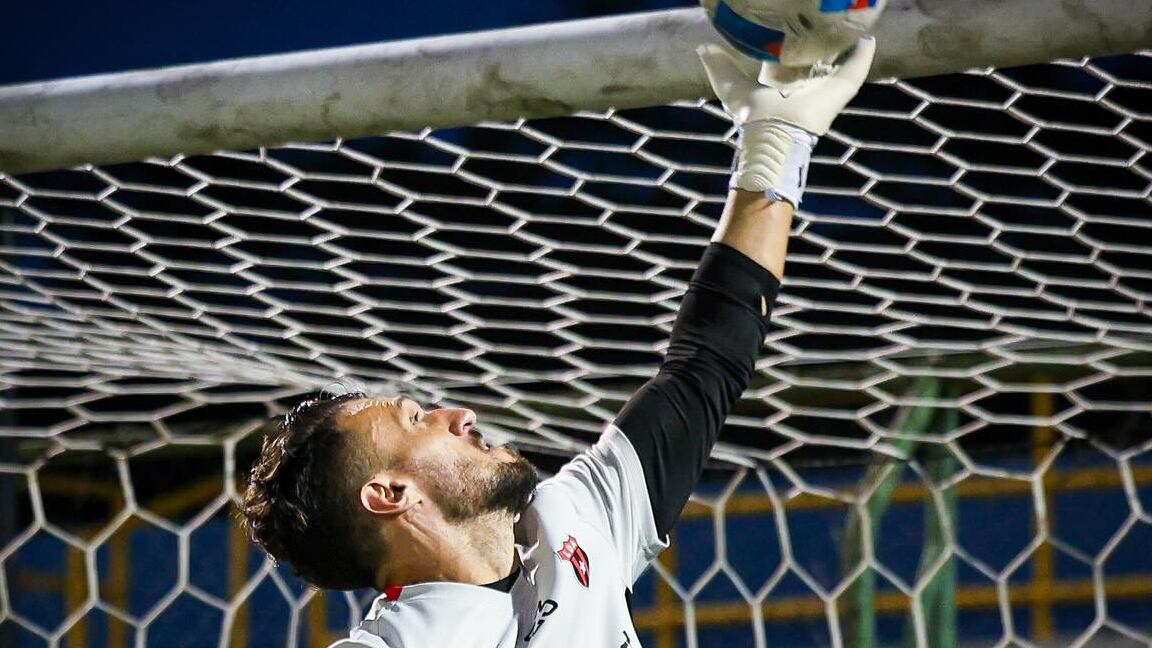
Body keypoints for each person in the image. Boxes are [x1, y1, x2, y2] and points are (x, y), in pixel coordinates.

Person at [240, 37, 876, 647]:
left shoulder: (572, 522)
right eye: (417, 420)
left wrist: (774, 151)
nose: (459, 415)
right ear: (389, 495)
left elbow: (705, 366)